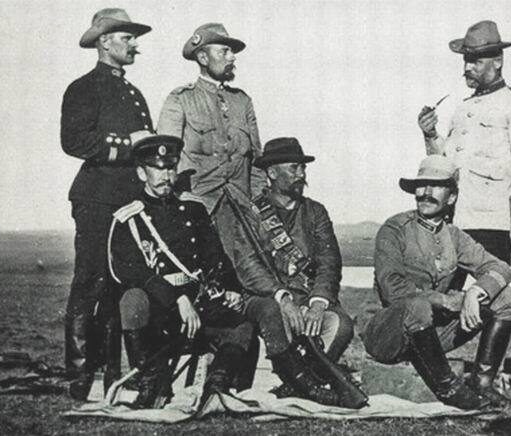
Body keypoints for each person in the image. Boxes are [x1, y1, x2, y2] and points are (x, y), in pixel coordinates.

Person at [109, 133, 363, 409]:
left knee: (240, 325)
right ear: (141, 173)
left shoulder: (192, 209)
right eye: (158, 169)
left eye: (170, 168)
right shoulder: (129, 218)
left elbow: (215, 257)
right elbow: (129, 271)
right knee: (132, 299)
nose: (166, 176)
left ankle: (219, 386)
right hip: (163, 307)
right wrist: (176, 298)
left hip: (199, 301)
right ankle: (149, 383)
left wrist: (228, 287)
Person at [362, 156, 511, 409]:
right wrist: (446, 300)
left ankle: (482, 383)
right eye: (421, 186)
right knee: (417, 305)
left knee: (506, 298)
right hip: (386, 333)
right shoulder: (395, 229)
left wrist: (476, 292)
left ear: (452, 198)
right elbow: (393, 289)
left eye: (436, 186)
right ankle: (449, 389)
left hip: (430, 333)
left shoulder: (454, 236)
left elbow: (500, 267)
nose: (425, 193)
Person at [60, 8, 153, 400]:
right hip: (97, 199)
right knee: (90, 284)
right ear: (104, 41)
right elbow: (74, 141)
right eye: (126, 37)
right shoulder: (83, 88)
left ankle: (116, 375)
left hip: (130, 201)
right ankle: (80, 379)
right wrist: (127, 145)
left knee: (122, 285)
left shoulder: (133, 92)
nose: (134, 44)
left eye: (133, 37)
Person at [417, 20, 511, 290]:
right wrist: (430, 134)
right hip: (453, 223)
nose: (467, 68)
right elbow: (446, 165)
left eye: (475, 61)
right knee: (441, 300)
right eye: (465, 61)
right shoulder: (462, 109)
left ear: (497, 61)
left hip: (493, 226)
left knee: (495, 303)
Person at [233, 137, 355, 363]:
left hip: (308, 296)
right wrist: (283, 298)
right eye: (294, 168)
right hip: (267, 297)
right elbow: (248, 266)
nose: (301, 174)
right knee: (273, 314)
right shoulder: (252, 214)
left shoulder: (315, 212)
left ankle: (311, 376)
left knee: (342, 325)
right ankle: (293, 376)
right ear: (271, 173)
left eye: (303, 168)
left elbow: (329, 261)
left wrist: (318, 302)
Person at [157, 22, 265, 256]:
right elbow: (164, 159)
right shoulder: (180, 100)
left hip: (241, 212)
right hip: (198, 208)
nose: (232, 57)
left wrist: (255, 204)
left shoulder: (242, 102)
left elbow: (257, 161)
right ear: (203, 58)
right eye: (224, 51)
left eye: (232, 51)